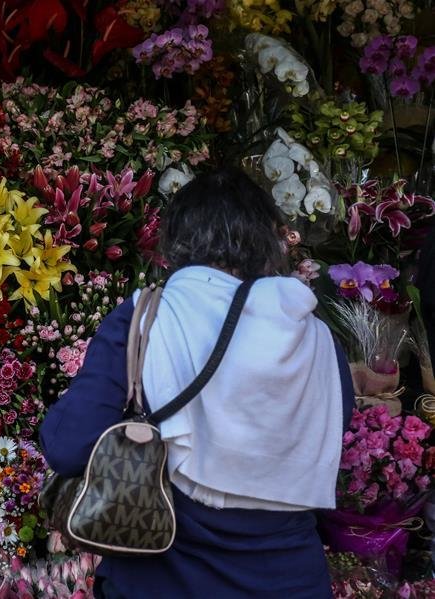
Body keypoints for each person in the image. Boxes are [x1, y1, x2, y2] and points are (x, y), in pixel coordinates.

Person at [39, 167, 354, 599]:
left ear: (174, 241)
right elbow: (334, 431)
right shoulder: (315, 335)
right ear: (268, 243)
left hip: (162, 580)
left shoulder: (145, 318)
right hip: (291, 580)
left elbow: (69, 445)